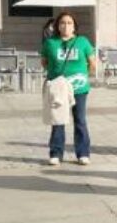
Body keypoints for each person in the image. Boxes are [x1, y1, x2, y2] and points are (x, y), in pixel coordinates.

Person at [40, 12, 96, 166]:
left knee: (80, 120)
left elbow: (92, 63)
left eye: (69, 23)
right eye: (62, 23)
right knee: (58, 120)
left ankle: (83, 153)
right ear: (57, 26)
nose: (66, 26)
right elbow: (44, 62)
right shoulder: (50, 43)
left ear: (74, 26)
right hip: (58, 89)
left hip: (79, 89)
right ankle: (56, 153)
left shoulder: (82, 42)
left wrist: (84, 76)